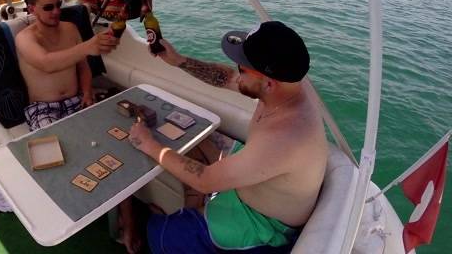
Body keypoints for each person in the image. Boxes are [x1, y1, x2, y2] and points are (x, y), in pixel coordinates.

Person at [128, 21, 328, 252]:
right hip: (254, 192)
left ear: (269, 83)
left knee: (159, 234)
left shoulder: (285, 138)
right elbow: (226, 78)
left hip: (260, 227)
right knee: (200, 146)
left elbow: (205, 180)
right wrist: (179, 61)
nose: (236, 71)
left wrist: (149, 144)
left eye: (242, 69)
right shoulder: (289, 87)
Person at [15, 0, 120, 129]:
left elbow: (83, 67)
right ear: (32, 9)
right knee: (55, 148)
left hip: (77, 99)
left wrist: (87, 92)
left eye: (58, 5)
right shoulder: (24, 38)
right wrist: (88, 46)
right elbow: (47, 63)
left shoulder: (70, 29)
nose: (56, 11)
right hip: (44, 108)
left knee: (107, 130)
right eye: (48, 7)